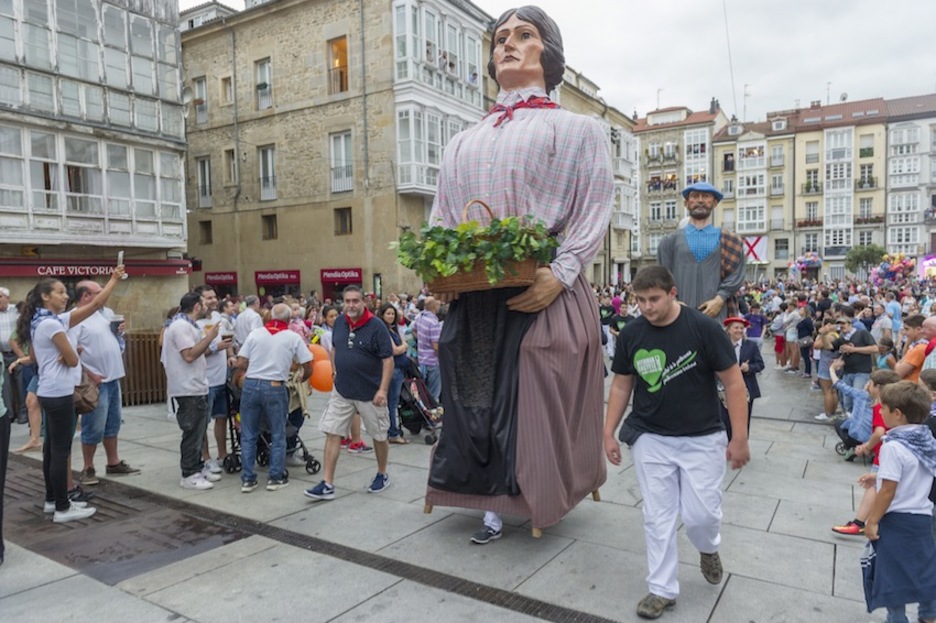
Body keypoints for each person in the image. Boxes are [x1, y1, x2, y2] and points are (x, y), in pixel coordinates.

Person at [422, 6, 611, 542]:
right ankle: (481, 493)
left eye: (523, 36)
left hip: (546, 287)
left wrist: (562, 271)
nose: (507, 45)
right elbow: (442, 217)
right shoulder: (462, 140)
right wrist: (438, 274)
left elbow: (593, 207)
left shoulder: (578, 129)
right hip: (474, 294)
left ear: (547, 53)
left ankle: (539, 489)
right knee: (468, 390)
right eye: (500, 38)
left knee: (533, 382)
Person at [604, 266, 750, 620]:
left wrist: (740, 438)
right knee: (657, 517)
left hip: (702, 437)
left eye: (653, 299)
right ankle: (662, 589)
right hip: (651, 436)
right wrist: (608, 431)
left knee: (701, 515)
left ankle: (707, 547)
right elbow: (622, 384)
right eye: (640, 300)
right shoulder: (632, 333)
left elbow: (733, 383)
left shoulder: (704, 328)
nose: (646, 307)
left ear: (672, 293)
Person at [15, 267, 125, 523]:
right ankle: (63, 507)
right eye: (60, 292)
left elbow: (96, 303)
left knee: (53, 449)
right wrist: (69, 352)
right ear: (45, 296)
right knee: (60, 451)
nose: (66, 297)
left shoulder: (41, 320)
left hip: (50, 390)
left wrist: (65, 353)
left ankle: (52, 500)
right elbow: (74, 360)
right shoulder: (52, 323)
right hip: (59, 392)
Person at [305, 286, 393, 500]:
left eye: (355, 301)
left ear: (364, 302)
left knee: (379, 435)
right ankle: (327, 483)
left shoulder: (376, 326)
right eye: (347, 301)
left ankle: (382, 474)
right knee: (332, 432)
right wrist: (334, 370)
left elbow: (387, 359)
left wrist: (382, 390)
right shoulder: (341, 323)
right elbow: (335, 348)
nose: (351, 305)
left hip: (370, 393)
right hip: (343, 391)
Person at [861, 381, 936, 623]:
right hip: (922, 517)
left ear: (897, 414)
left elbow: (888, 491)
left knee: (893, 577)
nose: (880, 411)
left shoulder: (893, 447)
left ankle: (897, 619)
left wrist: (872, 520)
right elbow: (917, 470)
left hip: (897, 520)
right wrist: (879, 475)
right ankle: (929, 615)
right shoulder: (924, 439)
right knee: (925, 571)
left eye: (883, 408)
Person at [235, 303, 312, 492]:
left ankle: (248, 479)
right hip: (275, 386)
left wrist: (246, 374)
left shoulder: (255, 334)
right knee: (278, 433)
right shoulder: (292, 337)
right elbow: (308, 362)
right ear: (288, 319)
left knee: (249, 433)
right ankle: (275, 477)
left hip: (251, 384)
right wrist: (304, 376)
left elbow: (241, 362)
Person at [70, 280, 139, 486]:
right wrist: (89, 374)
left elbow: (116, 341)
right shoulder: (76, 319)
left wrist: (120, 332)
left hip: (113, 376)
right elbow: (72, 351)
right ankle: (88, 467)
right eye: (99, 293)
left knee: (113, 422)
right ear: (85, 296)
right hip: (95, 381)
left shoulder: (106, 313)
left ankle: (113, 462)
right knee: (94, 425)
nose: (104, 296)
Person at [161, 292, 231, 491]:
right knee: (192, 431)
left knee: (199, 429)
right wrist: (210, 338)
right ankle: (189, 473)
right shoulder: (180, 326)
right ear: (197, 307)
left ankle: (197, 467)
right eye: (204, 303)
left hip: (196, 385)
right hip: (187, 388)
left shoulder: (186, 325)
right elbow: (190, 355)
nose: (209, 306)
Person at [657, 181, 745, 322]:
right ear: (686, 203)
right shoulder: (669, 242)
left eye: (705, 196)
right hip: (678, 319)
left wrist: (719, 299)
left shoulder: (731, 241)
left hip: (716, 318)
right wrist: (673, 301)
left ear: (715, 203)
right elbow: (661, 277)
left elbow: (736, 275)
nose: (700, 200)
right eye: (695, 196)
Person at [722, 316, 764, 440]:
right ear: (729, 329)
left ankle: (740, 445)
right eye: (736, 328)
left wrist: (749, 368)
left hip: (746, 389)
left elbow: (760, 364)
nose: (739, 330)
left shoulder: (751, 345)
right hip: (724, 390)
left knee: (743, 421)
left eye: (742, 328)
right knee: (725, 420)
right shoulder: (721, 345)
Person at [379, 303, 409, 444]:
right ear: (382, 315)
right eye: (388, 314)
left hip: (399, 369)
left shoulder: (393, 329)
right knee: (392, 402)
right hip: (393, 370)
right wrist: (403, 346)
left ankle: (391, 430)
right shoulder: (384, 330)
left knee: (393, 402)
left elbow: (402, 343)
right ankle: (392, 433)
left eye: (392, 314)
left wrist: (402, 346)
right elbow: (395, 350)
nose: (390, 316)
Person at [412, 297, 442, 403]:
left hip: (422, 359)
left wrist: (422, 340)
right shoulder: (434, 322)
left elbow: (414, 330)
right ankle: (434, 415)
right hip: (433, 361)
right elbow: (436, 346)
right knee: (434, 393)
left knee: (424, 392)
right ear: (434, 306)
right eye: (438, 305)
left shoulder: (420, 316)